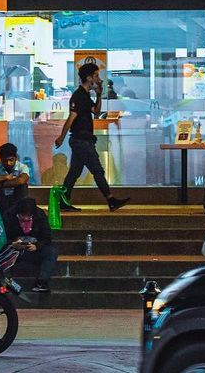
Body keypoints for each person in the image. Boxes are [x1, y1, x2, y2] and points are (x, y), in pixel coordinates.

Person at [55, 63, 130, 212]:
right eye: (96, 76)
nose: (99, 79)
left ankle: (63, 201)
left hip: (82, 140)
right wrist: (61, 137)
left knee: (74, 172)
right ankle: (110, 199)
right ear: (89, 78)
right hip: (81, 141)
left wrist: (98, 94)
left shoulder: (84, 95)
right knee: (97, 170)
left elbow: (95, 111)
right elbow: (71, 117)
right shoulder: (78, 96)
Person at [8, 194, 58, 294]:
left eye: (28, 216)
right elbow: (2, 236)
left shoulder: (39, 215)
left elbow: (47, 236)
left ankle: (41, 282)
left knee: (51, 252)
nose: (26, 219)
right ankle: (6, 282)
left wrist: (37, 246)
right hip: (13, 250)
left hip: (34, 248)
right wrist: (12, 243)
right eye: (23, 216)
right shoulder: (9, 215)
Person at [0, 142, 30, 223]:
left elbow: (21, 180)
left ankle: (21, 215)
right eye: (5, 161)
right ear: (1, 159)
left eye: (11, 160)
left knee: (22, 186)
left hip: (17, 199)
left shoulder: (22, 167)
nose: (8, 163)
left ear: (15, 158)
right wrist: (5, 177)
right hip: (1, 200)